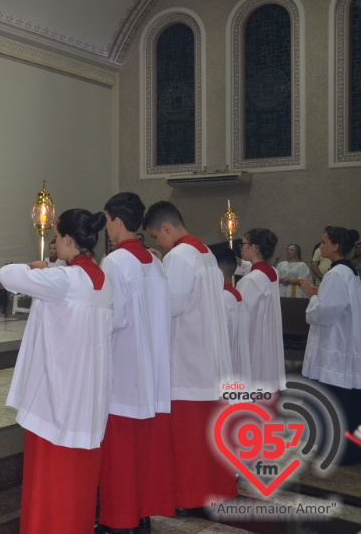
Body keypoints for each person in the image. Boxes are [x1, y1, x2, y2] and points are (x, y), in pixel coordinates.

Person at [0, 209, 113, 534]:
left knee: (50, 483)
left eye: (56, 238)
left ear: (67, 240)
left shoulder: (64, 280)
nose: (53, 244)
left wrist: (42, 266)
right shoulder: (103, 281)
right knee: (77, 486)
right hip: (87, 399)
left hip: (56, 396)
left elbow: (7, 275)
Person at [142, 201, 236, 510]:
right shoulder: (204, 253)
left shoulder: (180, 256)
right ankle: (213, 492)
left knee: (188, 443)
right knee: (206, 440)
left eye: (157, 236)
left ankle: (189, 498)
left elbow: (171, 305)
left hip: (187, 361)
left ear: (167, 228)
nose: (158, 242)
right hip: (205, 358)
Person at [97, 193, 173, 534]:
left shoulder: (115, 262)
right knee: (142, 452)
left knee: (119, 452)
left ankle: (117, 520)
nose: (108, 229)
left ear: (116, 220)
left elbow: (110, 319)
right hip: (150, 367)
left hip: (123, 369)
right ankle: (141, 515)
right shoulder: (153, 262)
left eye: (108, 221)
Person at [300, 227, 361, 466]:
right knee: (343, 401)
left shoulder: (337, 274)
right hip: (343, 343)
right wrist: (318, 294)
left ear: (335, 247)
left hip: (335, 346)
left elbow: (325, 312)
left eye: (324, 242)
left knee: (337, 401)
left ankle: (339, 451)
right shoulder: (348, 271)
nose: (320, 245)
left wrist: (312, 296)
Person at [236, 229, 286, 397]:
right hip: (268, 339)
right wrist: (239, 263)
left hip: (254, 338)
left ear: (254, 247)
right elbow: (254, 268)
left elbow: (237, 315)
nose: (240, 248)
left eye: (243, 244)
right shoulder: (273, 272)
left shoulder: (250, 280)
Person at [210, 242, 252, 388]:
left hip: (224, 366)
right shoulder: (236, 295)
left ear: (217, 269)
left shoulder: (221, 298)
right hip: (238, 363)